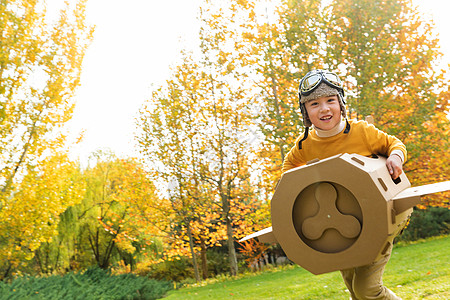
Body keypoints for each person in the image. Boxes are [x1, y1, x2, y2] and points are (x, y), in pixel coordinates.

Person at [282, 69, 406, 300]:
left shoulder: (362, 132)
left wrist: (395, 157)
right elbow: (288, 169)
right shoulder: (304, 145)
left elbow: (394, 144)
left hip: (375, 223)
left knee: (367, 290)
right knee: (354, 291)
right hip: (336, 229)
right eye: (315, 104)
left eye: (331, 100)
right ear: (306, 112)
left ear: (341, 104)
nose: (325, 109)